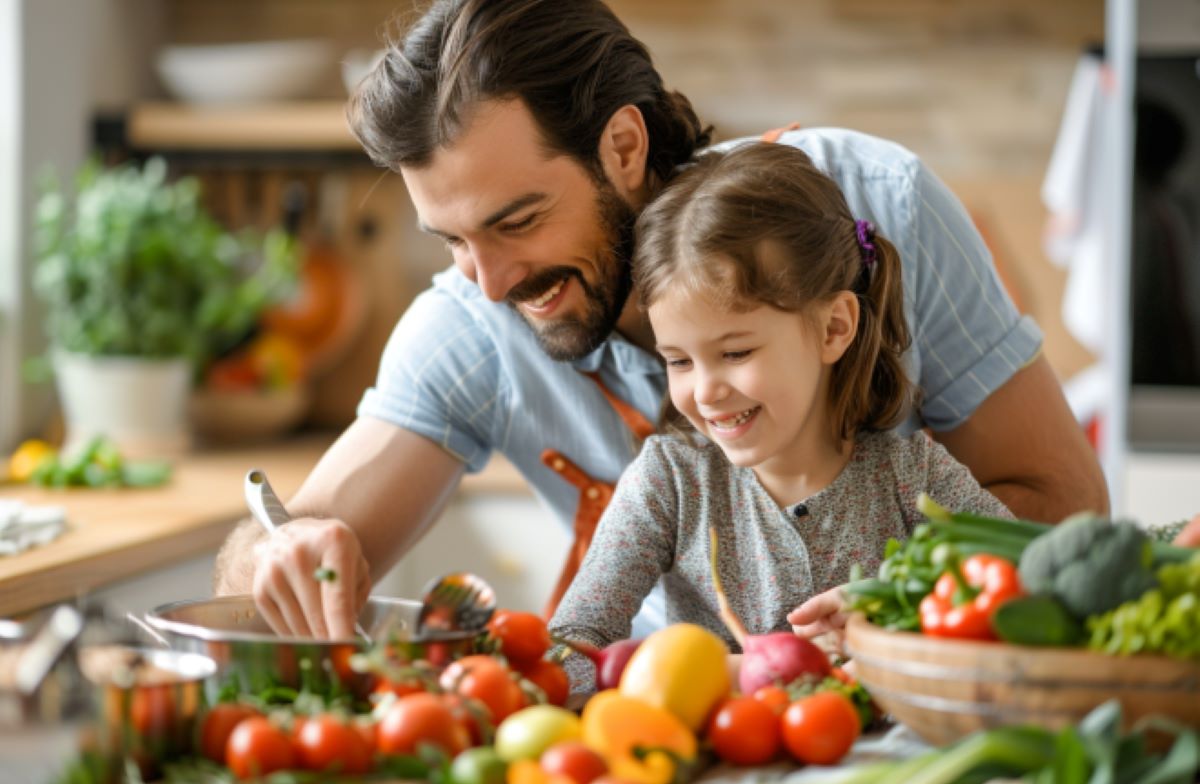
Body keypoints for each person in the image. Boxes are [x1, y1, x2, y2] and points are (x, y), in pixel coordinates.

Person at [213, 0, 1107, 639]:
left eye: (516, 221)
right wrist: (276, 561)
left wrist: (884, 610)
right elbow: (267, 563)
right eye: (450, 240)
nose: (488, 283)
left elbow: (1061, 513)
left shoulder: (876, 203)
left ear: (626, 146)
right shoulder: (470, 324)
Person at [548, 142, 1013, 689]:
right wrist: (757, 671)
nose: (706, 391)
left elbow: (1028, 599)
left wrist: (895, 608)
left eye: (737, 353)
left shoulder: (914, 478)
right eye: (678, 361)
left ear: (834, 328)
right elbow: (563, 659)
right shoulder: (669, 482)